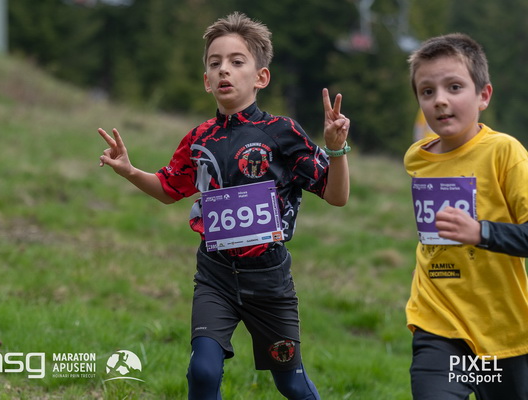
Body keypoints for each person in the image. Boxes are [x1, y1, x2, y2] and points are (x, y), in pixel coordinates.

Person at [98, 12, 351, 400]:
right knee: (202, 371)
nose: (224, 71)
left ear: (261, 77)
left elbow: (337, 196)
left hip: (269, 281)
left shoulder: (283, 133)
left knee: (291, 384)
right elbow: (168, 188)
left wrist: (335, 150)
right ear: (206, 80)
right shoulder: (199, 139)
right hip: (215, 275)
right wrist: (130, 171)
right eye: (215, 63)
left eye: (236, 61)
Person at [404, 33, 528, 400]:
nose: (440, 100)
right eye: (427, 91)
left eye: (454, 87)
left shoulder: (505, 153)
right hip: (437, 321)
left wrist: (481, 232)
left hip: (502, 331)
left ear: (483, 95)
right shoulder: (418, 157)